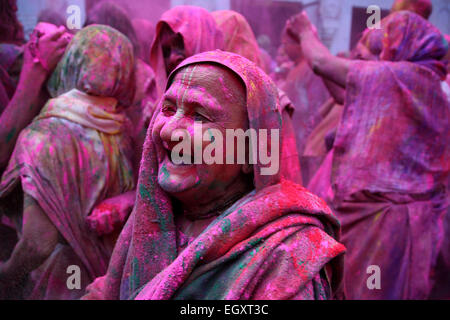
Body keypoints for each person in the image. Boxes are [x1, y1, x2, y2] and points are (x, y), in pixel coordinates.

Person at [82, 50, 345, 300]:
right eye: (169, 109)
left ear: (250, 153)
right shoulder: (154, 218)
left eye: (199, 116)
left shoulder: (289, 254)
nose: (169, 132)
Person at [287, 11, 449, 299]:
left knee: (368, 290)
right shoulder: (428, 85)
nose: (380, 46)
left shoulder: (404, 76)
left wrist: (305, 32)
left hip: (386, 218)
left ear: (404, 43)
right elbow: (342, 95)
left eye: (387, 39)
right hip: (406, 217)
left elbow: (322, 62)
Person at [0, 25, 136, 299]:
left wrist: (5, 275)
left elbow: (38, 243)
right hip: (109, 282)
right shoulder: (124, 132)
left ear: (70, 63)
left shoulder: (42, 136)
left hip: (58, 283)